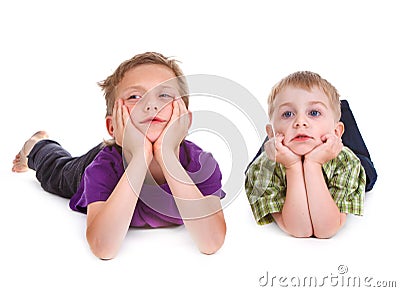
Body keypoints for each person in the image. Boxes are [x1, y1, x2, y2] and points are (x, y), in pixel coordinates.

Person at [12, 52, 226, 259]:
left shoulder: (201, 165)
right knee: (58, 172)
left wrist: (166, 156)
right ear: (112, 125)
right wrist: (140, 158)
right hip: (109, 157)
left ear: (185, 121)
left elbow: (211, 242)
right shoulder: (102, 168)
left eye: (164, 95)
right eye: (134, 96)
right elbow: (103, 248)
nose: (151, 105)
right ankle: (37, 145)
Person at [245, 71, 366, 238]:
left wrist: (313, 164)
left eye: (313, 113)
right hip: (282, 150)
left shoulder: (349, 163)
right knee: (275, 147)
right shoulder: (260, 171)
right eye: (288, 114)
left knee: (367, 169)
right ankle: (291, 126)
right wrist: (293, 165)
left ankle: (337, 112)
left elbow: (326, 230)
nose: (300, 121)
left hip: (332, 148)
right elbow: (300, 230)